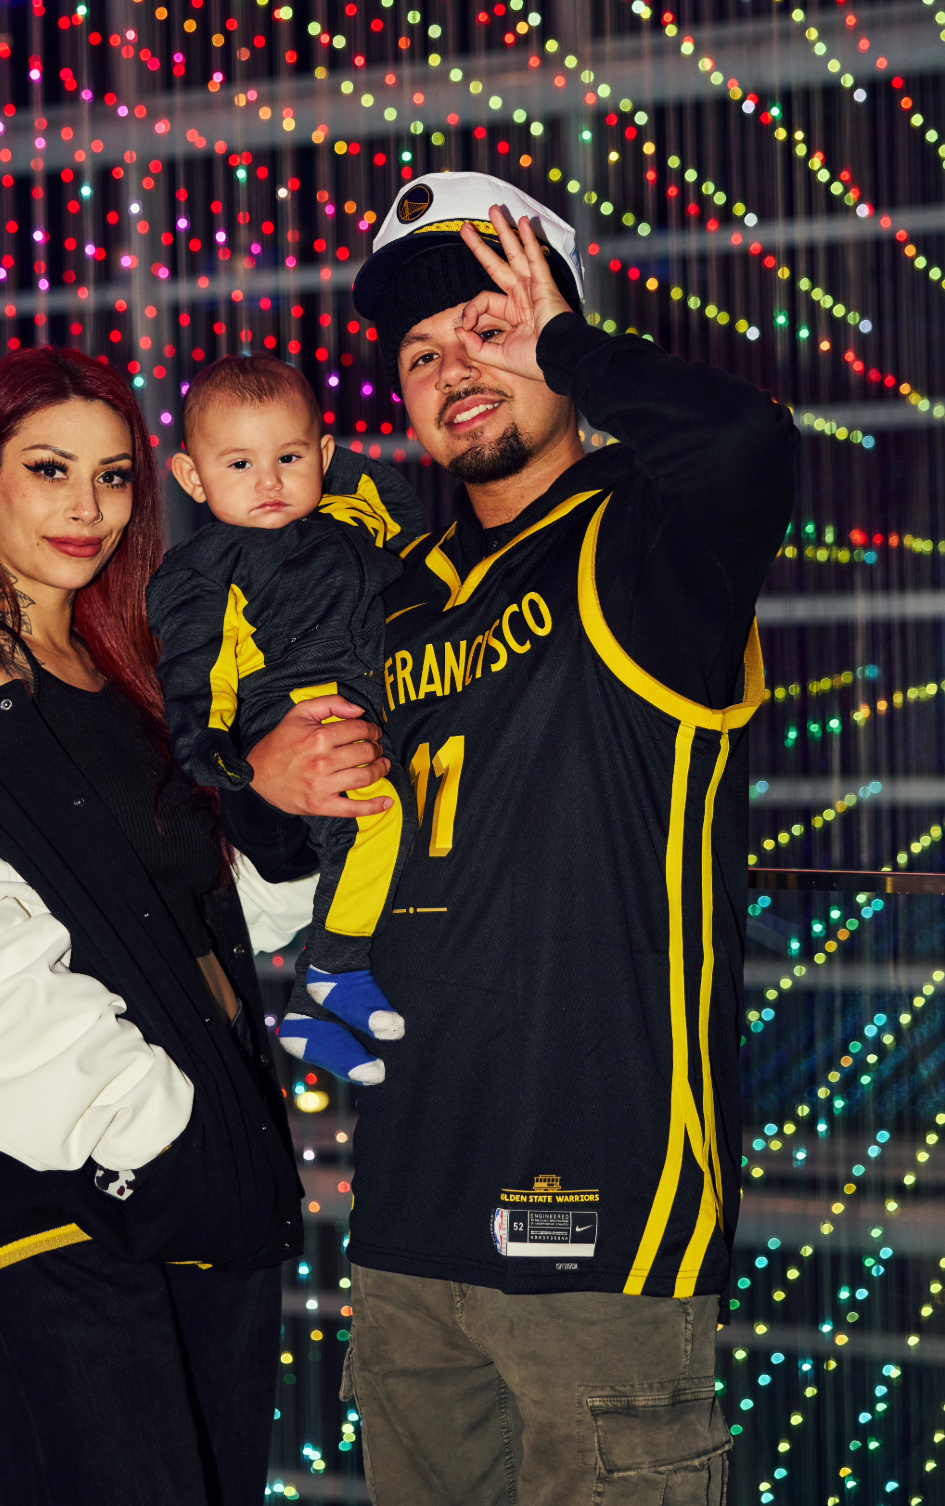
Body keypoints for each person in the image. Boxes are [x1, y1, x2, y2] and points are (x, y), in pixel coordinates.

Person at [240, 174, 795, 1501]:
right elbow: (287, 852)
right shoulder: (395, 597)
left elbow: (745, 447)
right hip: (407, 1211)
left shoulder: (642, 543)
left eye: (486, 326)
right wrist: (268, 787)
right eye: (420, 352)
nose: (450, 368)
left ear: (559, 334)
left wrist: (570, 345)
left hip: (597, 1226)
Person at [0, 346, 301, 1505]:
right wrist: (159, 1132)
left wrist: (279, 801)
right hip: (52, 1183)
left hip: (200, 1163)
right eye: (48, 468)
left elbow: (227, 908)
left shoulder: (131, 674)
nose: (87, 507)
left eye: (116, 475)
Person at [147, 354, 428, 1084]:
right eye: (238, 463)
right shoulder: (209, 563)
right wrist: (214, 750)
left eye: (289, 457)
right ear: (193, 478)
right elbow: (197, 664)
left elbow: (400, 518)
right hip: (291, 713)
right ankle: (331, 974)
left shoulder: (346, 523)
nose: (268, 481)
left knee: (386, 841)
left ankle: (311, 1009)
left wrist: (333, 475)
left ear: (322, 458)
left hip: (370, 707)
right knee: (375, 818)